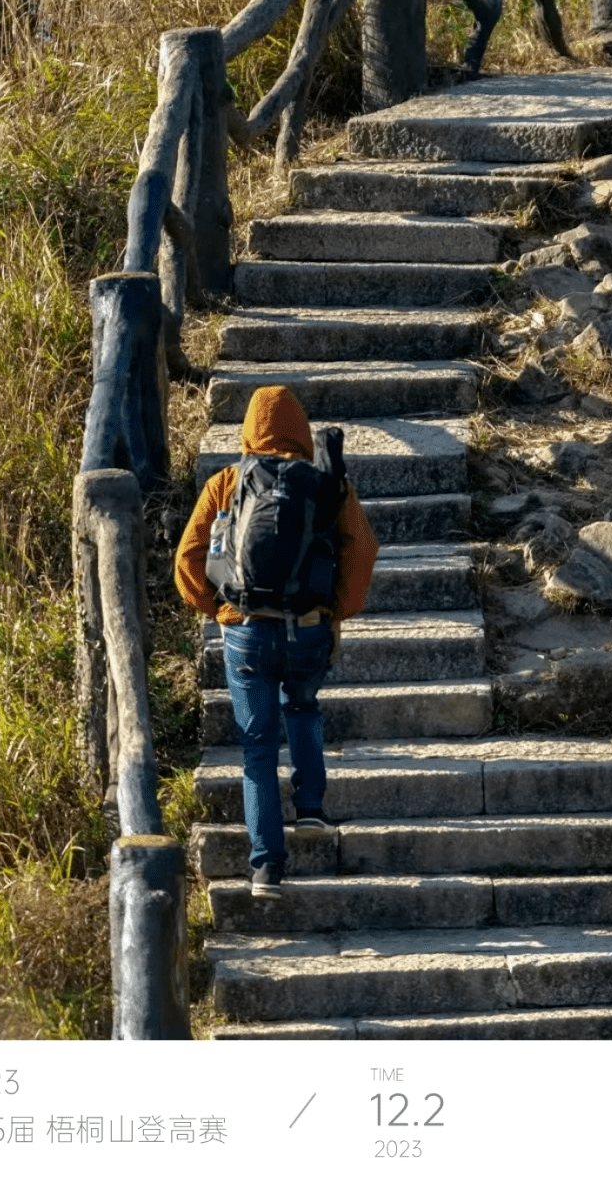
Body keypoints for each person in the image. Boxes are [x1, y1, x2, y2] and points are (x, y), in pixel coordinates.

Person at [175, 384, 378, 897]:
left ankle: (266, 866)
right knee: (304, 708)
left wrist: (218, 609)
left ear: (248, 431)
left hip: (245, 631)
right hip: (307, 627)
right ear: (301, 432)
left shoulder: (227, 482)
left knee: (257, 748)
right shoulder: (327, 484)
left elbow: (189, 558)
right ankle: (310, 809)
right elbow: (362, 549)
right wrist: (337, 612)